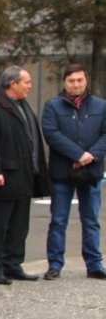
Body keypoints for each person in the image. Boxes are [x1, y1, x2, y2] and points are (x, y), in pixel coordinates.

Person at [0, 67, 48, 284]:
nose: (30, 85)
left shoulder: (22, 105)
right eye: (26, 82)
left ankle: (13, 263)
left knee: (19, 223)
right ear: (13, 84)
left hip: (25, 173)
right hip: (6, 174)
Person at [41, 63, 106, 280]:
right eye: (71, 81)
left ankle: (95, 264)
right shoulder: (52, 106)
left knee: (91, 219)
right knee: (59, 219)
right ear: (64, 83)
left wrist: (90, 156)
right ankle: (55, 264)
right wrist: (78, 154)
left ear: (86, 80)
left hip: (91, 172)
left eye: (79, 80)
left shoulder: (101, 106)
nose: (75, 84)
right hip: (62, 172)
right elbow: (51, 133)